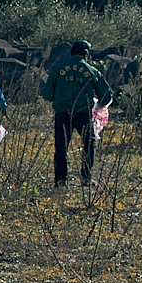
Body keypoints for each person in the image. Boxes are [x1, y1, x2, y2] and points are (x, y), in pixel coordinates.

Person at [40, 39, 114, 188]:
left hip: (62, 113)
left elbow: (47, 94)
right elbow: (107, 95)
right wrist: (98, 106)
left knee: (61, 147)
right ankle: (86, 178)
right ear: (86, 54)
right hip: (83, 113)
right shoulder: (92, 71)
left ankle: (60, 181)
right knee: (89, 143)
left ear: (71, 52)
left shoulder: (57, 69)